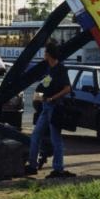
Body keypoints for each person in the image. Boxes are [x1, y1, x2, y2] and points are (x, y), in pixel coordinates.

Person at [25, 39, 75, 178]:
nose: (43, 54)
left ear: (49, 54)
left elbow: (67, 88)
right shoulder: (50, 69)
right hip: (46, 106)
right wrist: (39, 97)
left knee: (55, 138)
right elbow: (43, 86)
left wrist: (53, 98)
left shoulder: (60, 69)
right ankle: (32, 166)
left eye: (45, 52)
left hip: (55, 107)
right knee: (36, 135)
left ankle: (58, 169)